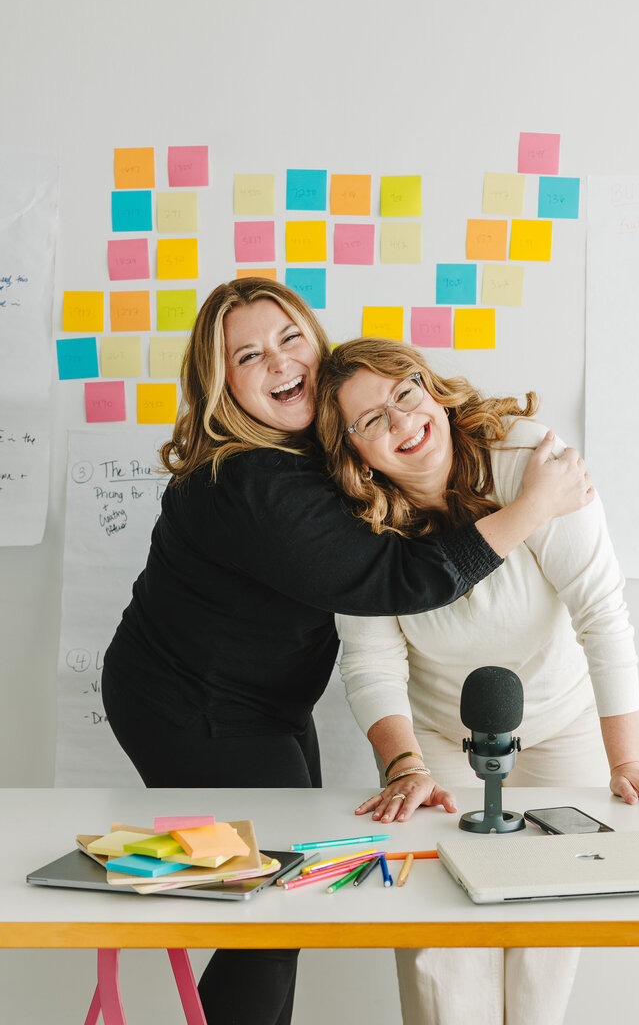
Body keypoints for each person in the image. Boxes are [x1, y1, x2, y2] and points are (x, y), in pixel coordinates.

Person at [101, 277, 594, 1025]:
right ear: (222, 386)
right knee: (270, 911)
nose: (278, 361)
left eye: (290, 337)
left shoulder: (319, 452)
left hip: (264, 699)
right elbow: (395, 578)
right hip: (193, 706)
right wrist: (534, 507)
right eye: (249, 355)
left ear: (317, 340)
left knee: (281, 904)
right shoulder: (253, 478)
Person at [314, 336, 639, 1025]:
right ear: (353, 454)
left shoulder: (531, 462)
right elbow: (372, 659)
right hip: (436, 735)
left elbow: (602, 616)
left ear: (432, 389)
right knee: (444, 935)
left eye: (405, 393)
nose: (402, 421)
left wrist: (629, 763)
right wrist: (403, 765)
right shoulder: (355, 524)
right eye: (371, 420)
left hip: (561, 724)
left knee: (544, 936)